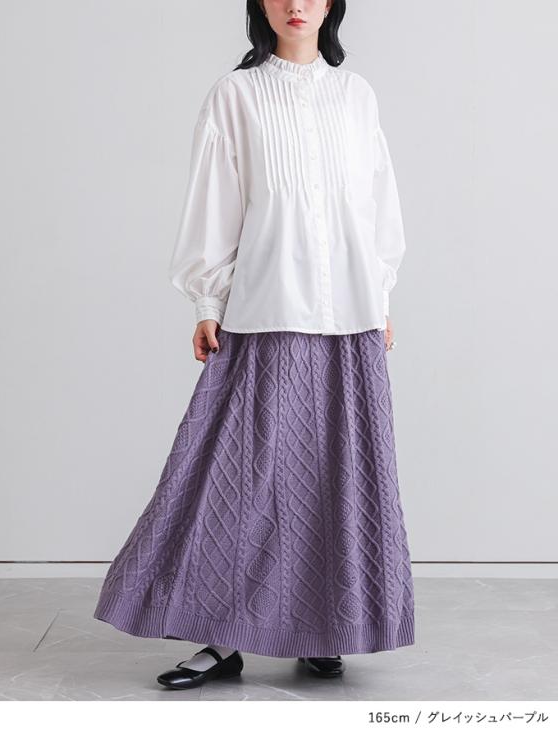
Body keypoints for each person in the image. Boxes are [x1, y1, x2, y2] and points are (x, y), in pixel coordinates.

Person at [93, 0, 415, 690]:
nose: (296, 5)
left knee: (336, 478)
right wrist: (208, 299)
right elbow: (214, 203)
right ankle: (221, 639)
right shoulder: (236, 95)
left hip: (353, 314)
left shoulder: (356, 95)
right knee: (239, 480)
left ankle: (324, 630)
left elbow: (376, 205)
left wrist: (381, 298)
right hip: (267, 308)